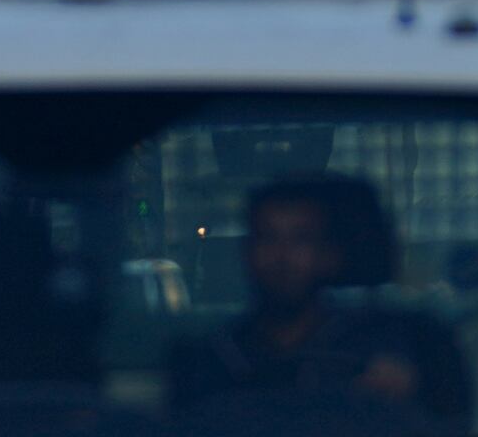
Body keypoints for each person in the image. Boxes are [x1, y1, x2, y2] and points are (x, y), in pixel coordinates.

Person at [172, 174, 442, 416]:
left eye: (301, 239)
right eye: (268, 237)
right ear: (247, 252)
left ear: (330, 255)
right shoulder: (214, 358)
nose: (282, 256)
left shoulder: (388, 347)